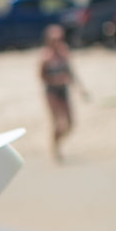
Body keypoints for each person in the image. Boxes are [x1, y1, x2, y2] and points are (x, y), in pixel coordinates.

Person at [39, 24, 87, 161]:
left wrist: (81, 89)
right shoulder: (45, 57)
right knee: (58, 122)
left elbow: (71, 72)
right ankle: (55, 148)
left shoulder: (64, 52)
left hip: (63, 89)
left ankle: (57, 142)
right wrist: (56, 80)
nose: (58, 42)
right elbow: (42, 77)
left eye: (60, 38)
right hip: (52, 91)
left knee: (70, 123)